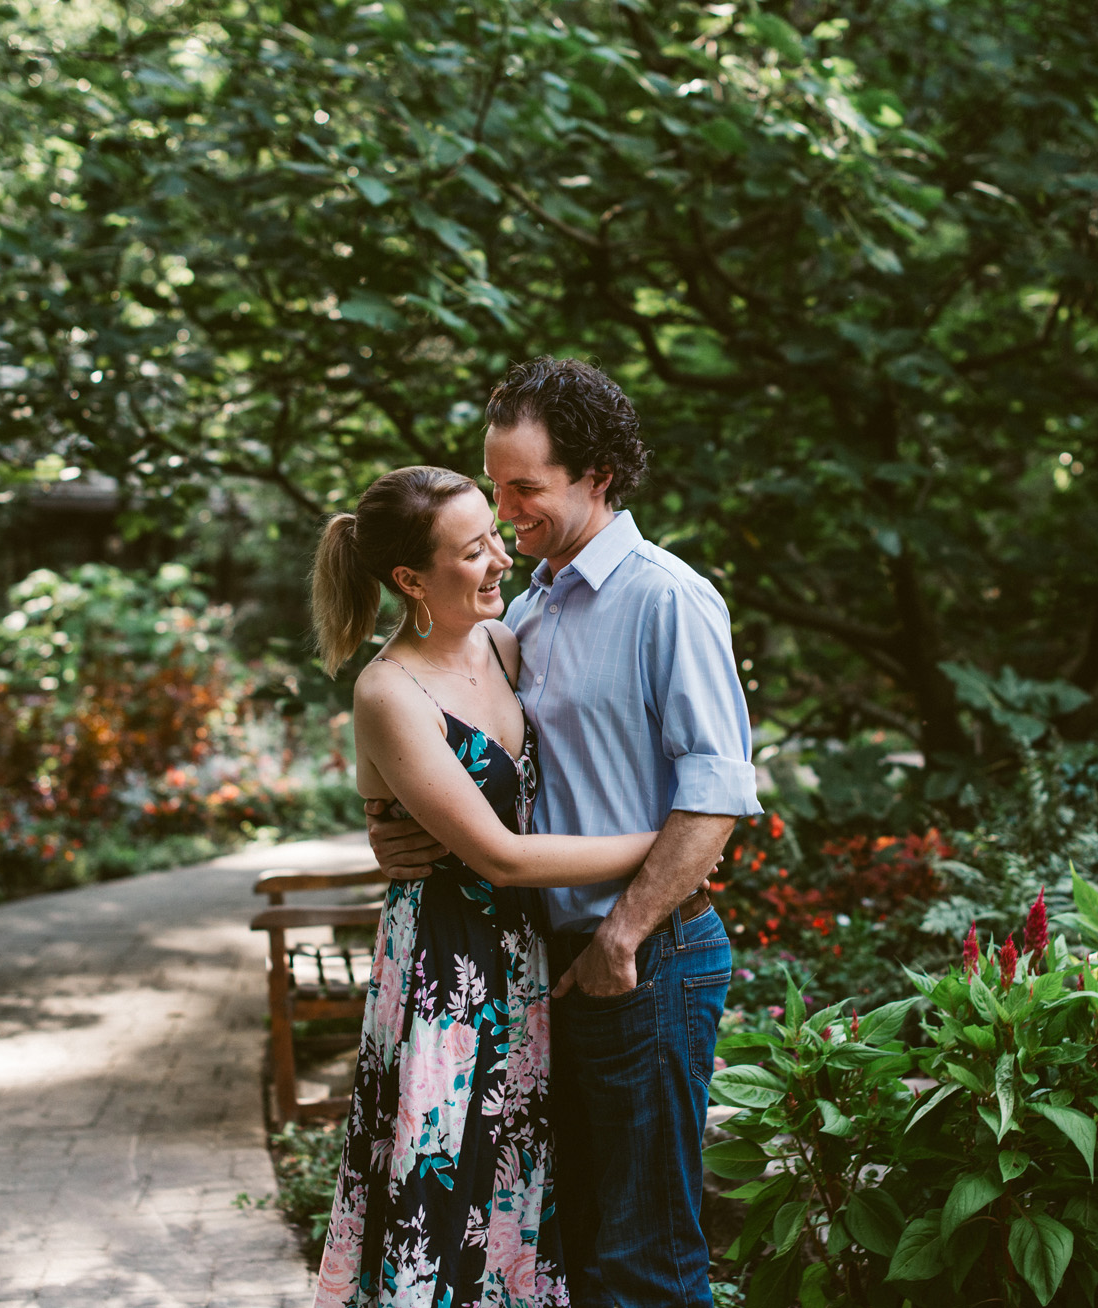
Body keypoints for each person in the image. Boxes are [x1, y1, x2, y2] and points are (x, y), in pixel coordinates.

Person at [369, 358, 761, 1308]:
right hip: (545, 971)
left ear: (596, 473)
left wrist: (623, 935)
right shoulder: (529, 606)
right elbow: (443, 728)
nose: (504, 513)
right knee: (570, 1253)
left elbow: (717, 790)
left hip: (643, 958)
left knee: (648, 1260)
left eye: (524, 488)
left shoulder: (664, 598)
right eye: (496, 488)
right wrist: (393, 832)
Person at [308, 464, 666, 1308]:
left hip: (523, 960)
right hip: (446, 976)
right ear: (409, 579)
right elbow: (501, 856)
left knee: (513, 1200)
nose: (503, 557)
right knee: (444, 1192)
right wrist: (669, 844)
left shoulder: (506, 643)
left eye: (496, 536)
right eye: (474, 550)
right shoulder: (388, 692)